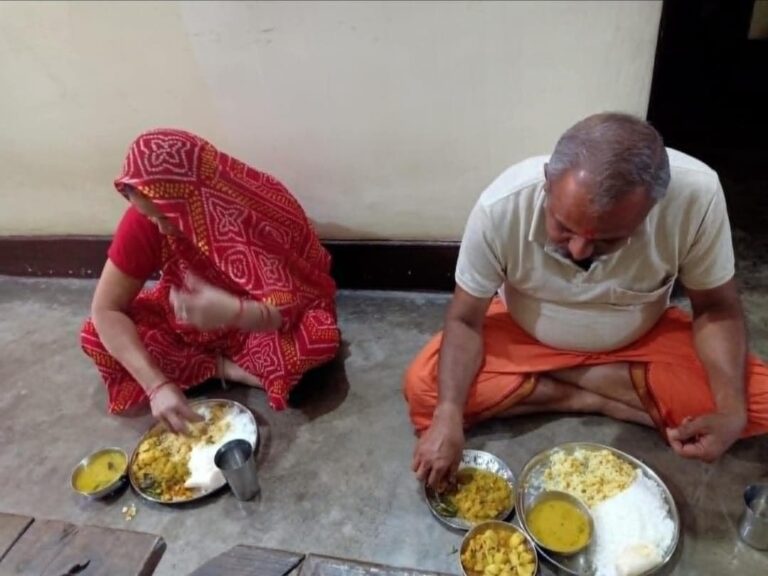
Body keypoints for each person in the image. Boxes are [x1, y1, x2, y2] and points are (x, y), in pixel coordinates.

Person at [405, 112, 768, 487]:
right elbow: (465, 320)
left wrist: (730, 410)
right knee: (425, 389)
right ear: (547, 183)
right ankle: (607, 398)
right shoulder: (501, 206)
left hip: (640, 341)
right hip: (525, 337)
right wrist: (448, 414)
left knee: (754, 403)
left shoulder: (697, 196)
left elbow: (715, 309)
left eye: (606, 239)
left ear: (651, 209)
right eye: (564, 227)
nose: (579, 250)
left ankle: (561, 387)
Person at [81, 128, 340, 432]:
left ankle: (206, 368)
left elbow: (296, 302)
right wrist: (157, 386)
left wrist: (234, 311)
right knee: (96, 336)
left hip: (257, 326)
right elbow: (105, 310)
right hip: (188, 319)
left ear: (196, 198)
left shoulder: (254, 206)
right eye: (151, 218)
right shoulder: (145, 221)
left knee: (317, 338)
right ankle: (224, 369)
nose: (160, 228)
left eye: (168, 217)